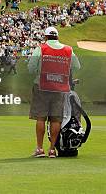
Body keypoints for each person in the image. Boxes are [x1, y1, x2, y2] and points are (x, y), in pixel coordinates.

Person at [28, 27, 80, 158]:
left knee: (41, 117)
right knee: (55, 119)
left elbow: (31, 67)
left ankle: (40, 149)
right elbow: (77, 66)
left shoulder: (41, 48)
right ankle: (52, 150)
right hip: (60, 88)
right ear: (57, 36)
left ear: (46, 37)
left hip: (42, 86)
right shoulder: (68, 50)